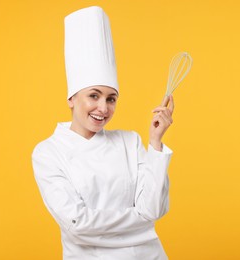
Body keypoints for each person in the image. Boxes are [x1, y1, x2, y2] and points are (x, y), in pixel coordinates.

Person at [32, 6, 174, 260]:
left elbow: (154, 208)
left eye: (111, 99)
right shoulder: (48, 152)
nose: (103, 108)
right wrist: (140, 220)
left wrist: (155, 142)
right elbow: (77, 226)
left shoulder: (130, 141)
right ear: (72, 98)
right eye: (94, 96)